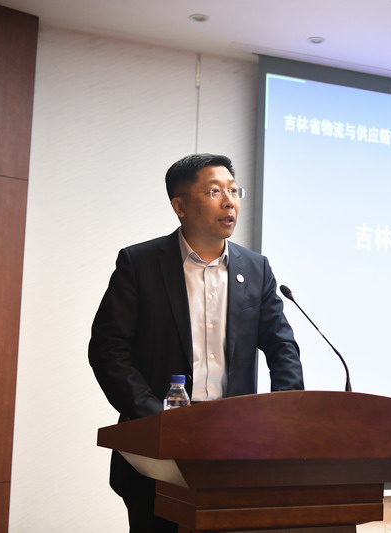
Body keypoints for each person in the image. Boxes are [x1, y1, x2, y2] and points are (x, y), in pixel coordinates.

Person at [89, 153, 304, 533]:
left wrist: (282, 414)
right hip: (158, 449)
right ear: (180, 206)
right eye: (214, 191)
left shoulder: (256, 268)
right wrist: (155, 417)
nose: (229, 201)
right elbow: (108, 349)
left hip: (237, 448)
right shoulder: (140, 264)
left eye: (234, 191)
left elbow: (281, 345)